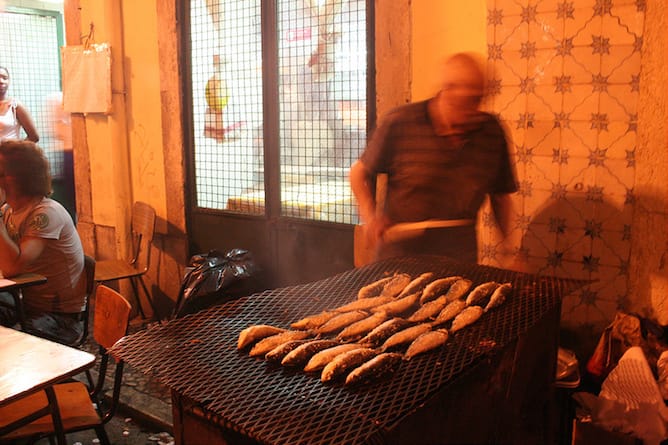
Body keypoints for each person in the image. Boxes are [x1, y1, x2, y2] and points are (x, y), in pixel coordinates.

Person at [349, 52, 517, 264]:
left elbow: (500, 197)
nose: (469, 113)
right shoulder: (401, 122)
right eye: (462, 103)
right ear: (445, 91)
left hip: (459, 261)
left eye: (476, 101)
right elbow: (358, 173)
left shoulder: (492, 132)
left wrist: (509, 251)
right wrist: (370, 217)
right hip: (399, 259)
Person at [0, 139, 85, 346]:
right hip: (23, 302)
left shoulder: (45, 213)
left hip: (59, 318)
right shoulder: (8, 211)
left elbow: (11, 268)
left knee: (8, 346)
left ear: (16, 177)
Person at [0, 66, 39, 142]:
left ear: (9, 81)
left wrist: (15, 150)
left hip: (8, 153)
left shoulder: (15, 106)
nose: (1, 81)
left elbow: (34, 137)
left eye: (5, 78)